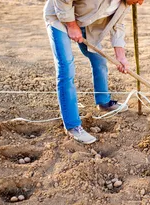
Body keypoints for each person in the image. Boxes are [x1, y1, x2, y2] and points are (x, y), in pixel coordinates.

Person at [44, 0, 144, 144]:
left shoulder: (126, 3)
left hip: (86, 24)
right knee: (66, 68)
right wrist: (71, 25)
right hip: (59, 17)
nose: (140, 3)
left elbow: (118, 25)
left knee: (100, 61)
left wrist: (120, 56)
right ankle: (72, 126)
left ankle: (103, 102)